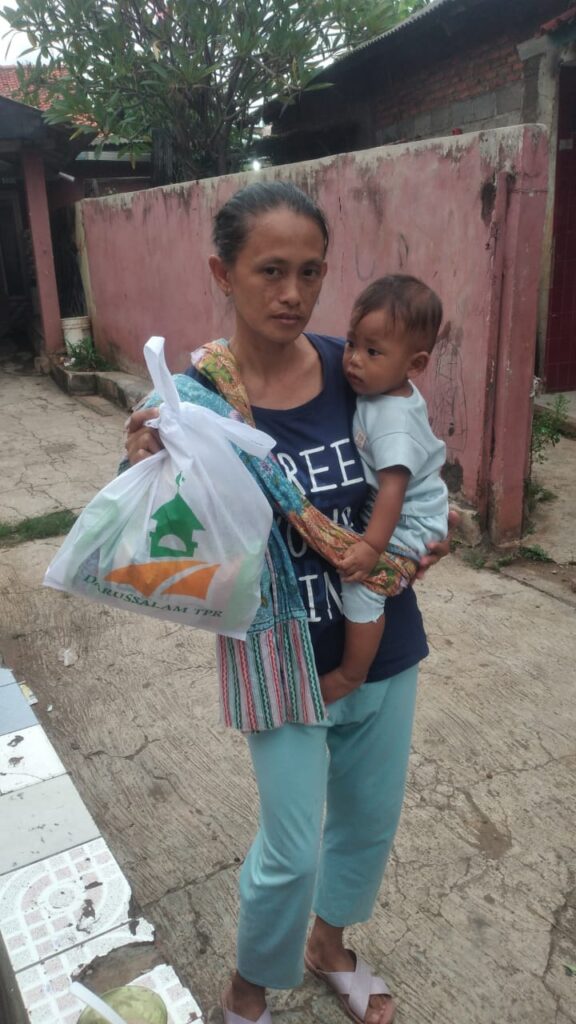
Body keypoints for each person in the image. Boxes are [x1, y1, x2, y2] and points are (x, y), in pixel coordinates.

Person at [125, 181, 452, 1024]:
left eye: (311, 272)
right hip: (280, 656)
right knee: (291, 849)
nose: (293, 293)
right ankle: (248, 984)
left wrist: (432, 531)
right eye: (270, 270)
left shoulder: (361, 369)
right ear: (222, 274)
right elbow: (159, 531)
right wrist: (145, 457)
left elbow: (417, 471)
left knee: (369, 819)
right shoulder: (199, 400)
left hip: (383, 642)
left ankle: (329, 945)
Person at [322, 275, 449, 700]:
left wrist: (372, 548)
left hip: (411, 521)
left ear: (415, 365)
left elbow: (393, 489)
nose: (354, 360)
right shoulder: (381, 390)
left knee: (363, 586)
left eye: (372, 351)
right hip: (406, 510)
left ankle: (351, 674)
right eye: (351, 343)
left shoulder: (394, 419)